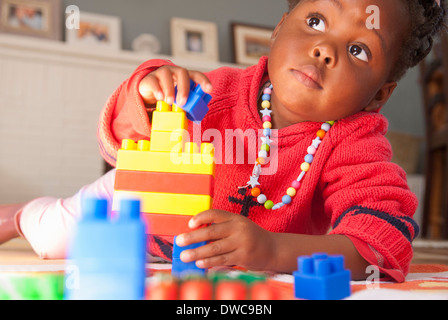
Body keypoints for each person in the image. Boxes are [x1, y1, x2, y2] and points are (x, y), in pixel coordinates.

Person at [1, 0, 446, 282]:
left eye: (358, 50)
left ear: (381, 94)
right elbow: (120, 140)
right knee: (52, 235)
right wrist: (149, 92)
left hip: (194, 260)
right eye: (315, 20)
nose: (325, 49)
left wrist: (273, 250)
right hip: (132, 210)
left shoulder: (356, 144)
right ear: (278, 29)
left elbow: (383, 244)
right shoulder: (217, 90)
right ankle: (19, 215)